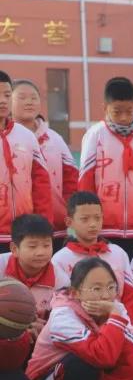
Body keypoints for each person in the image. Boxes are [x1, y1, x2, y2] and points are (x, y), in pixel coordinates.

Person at [79, 77, 133, 257]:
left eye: (129, 111)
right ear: (105, 108)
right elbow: (85, 183)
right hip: (104, 231)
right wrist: (87, 228)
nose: (124, 117)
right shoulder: (95, 135)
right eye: (117, 112)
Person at [52, 192, 133, 323]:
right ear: (69, 222)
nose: (93, 224)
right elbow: (61, 301)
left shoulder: (117, 253)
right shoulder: (61, 259)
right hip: (77, 325)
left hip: (117, 320)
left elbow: (131, 295)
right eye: (85, 219)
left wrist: (127, 325)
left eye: (97, 218)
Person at [11, 80, 77, 238]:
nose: (29, 102)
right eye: (22, 97)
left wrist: (67, 211)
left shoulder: (55, 139)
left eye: (34, 98)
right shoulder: (6, 140)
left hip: (57, 228)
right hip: (20, 228)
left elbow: (71, 179)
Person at [0, 70, 52, 251]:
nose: (3, 100)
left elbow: (41, 186)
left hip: (24, 236)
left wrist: (43, 225)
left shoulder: (26, 137)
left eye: (7, 95)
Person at [0, 214, 68, 338]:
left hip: (39, 340)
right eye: (32, 246)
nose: (41, 252)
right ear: (14, 248)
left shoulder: (61, 280)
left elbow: (66, 321)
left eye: (46, 245)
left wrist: (46, 329)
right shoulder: (1, 265)